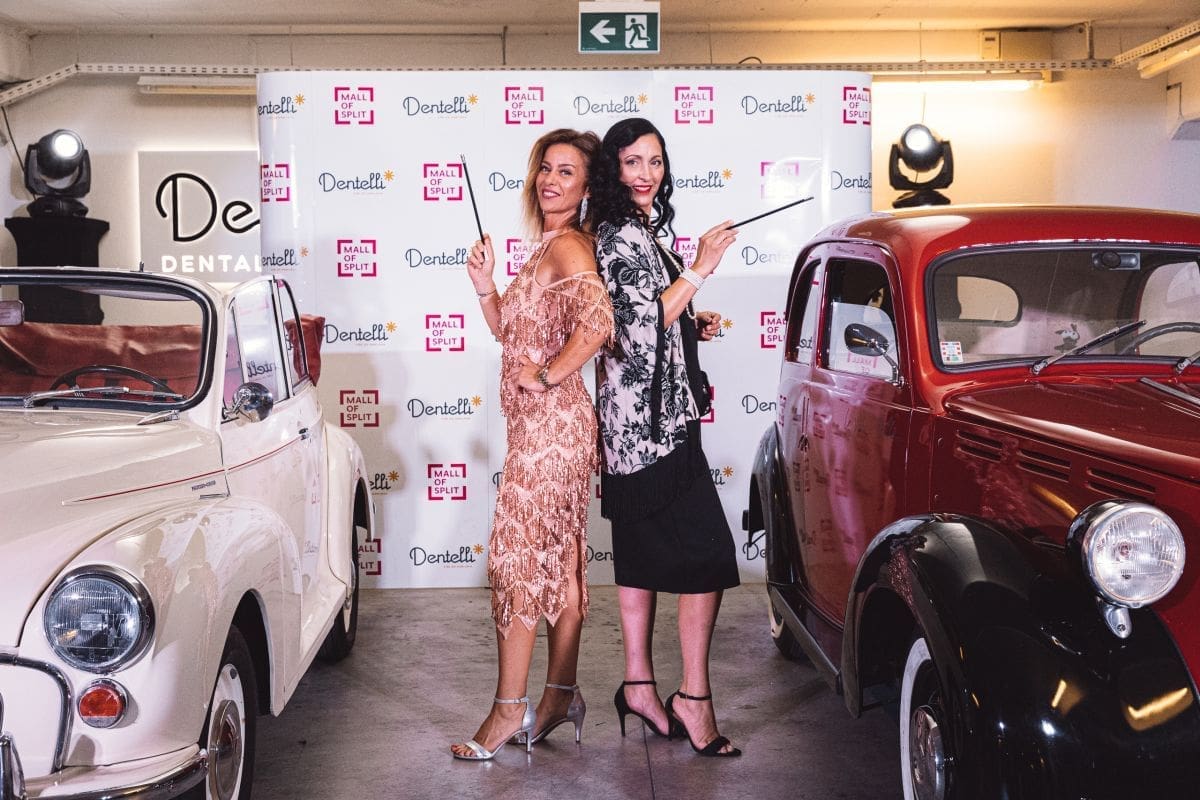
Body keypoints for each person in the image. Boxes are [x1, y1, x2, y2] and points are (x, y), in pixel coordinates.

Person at [450, 129, 613, 760]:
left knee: (516, 563)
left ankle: (507, 709)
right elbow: (514, 335)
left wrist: (546, 376)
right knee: (561, 565)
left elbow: (598, 322)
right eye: (546, 168)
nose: (550, 180)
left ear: (587, 186)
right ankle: (561, 695)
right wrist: (485, 285)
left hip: (553, 429)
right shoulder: (547, 245)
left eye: (566, 172)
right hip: (546, 428)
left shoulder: (569, 246)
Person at [590, 117, 742, 758]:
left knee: (641, 555)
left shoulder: (647, 230)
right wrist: (701, 268)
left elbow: (660, 314)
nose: (646, 174)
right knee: (708, 556)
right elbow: (635, 326)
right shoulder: (616, 233)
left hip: (654, 418)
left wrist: (691, 322)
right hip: (646, 427)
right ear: (613, 169)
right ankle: (694, 698)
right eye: (632, 162)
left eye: (655, 161)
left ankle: (638, 687)